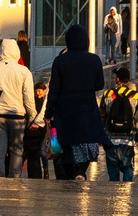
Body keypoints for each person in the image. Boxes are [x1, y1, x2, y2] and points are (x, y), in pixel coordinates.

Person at [46, 22, 114, 180]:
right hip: (87, 109)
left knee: (66, 143)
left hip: (65, 110)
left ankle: (69, 173)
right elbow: (99, 84)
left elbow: (54, 90)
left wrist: (49, 112)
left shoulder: (60, 61)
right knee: (87, 142)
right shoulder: (94, 60)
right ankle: (80, 170)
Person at [0, 37, 37, 180]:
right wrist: (33, 116)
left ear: (1, 51)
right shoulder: (24, 71)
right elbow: (28, 97)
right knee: (17, 150)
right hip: (17, 115)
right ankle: (14, 179)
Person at [101, 67, 138, 182]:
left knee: (113, 172)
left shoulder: (108, 94)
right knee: (128, 167)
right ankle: (127, 193)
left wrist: (101, 137)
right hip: (128, 140)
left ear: (117, 79)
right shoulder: (135, 96)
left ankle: (114, 194)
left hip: (110, 139)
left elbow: (102, 117)